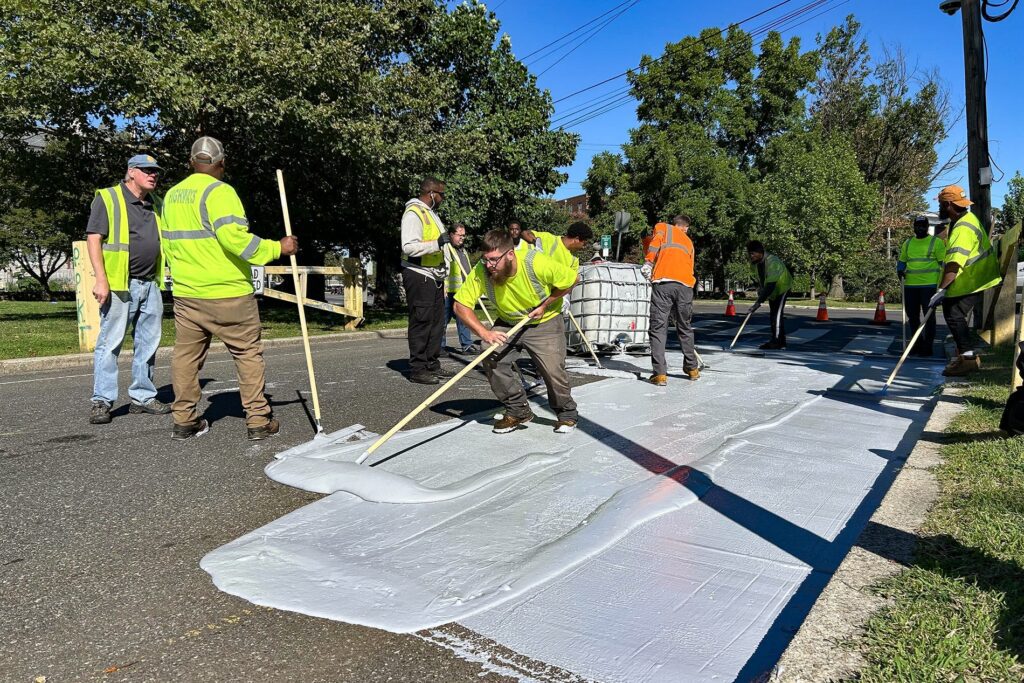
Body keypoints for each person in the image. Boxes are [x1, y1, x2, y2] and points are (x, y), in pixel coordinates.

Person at [161, 136, 298, 441]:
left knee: (186, 357)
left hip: (188, 292)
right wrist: (277, 248)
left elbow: (167, 244)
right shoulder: (220, 192)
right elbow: (235, 240)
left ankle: (184, 419)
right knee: (247, 353)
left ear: (191, 162)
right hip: (228, 291)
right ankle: (258, 420)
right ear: (222, 163)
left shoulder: (171, 195)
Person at [453, 229, 579, 434]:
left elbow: (573, 279)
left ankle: (566, 414)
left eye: (494, 260)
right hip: (508, 322)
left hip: (544, 322)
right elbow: (460, 305)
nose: (489, 265)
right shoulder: (482, 270)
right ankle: (518, 410)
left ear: (510, 254)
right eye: (485, 259)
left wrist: (546, 304)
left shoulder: (535, 262)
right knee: (490, 353)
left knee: (553, 371)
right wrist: (485, 333)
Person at [86, 154, 170, 424]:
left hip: (150, 283)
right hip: (121, 284)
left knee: (148, 343)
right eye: (147, 170)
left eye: (155, 171)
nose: (153, 175)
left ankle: (142, 397)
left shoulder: (157, 203)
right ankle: (102, 401)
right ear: (131, 172)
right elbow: (94, 238)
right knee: (110, 343)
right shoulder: (109, 198)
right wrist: (101, 279)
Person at [929, 185, 1002, 376]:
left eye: (941, 205)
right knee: (952, 311)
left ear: (948, 204)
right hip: (975, 276)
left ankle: (968, 360)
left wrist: (941, 291)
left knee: (953, 313)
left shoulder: (962, 228)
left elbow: (954, 264)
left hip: (974, 278)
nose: (939, 208)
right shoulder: (963, 220)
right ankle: (965, 356)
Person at [401, 177, 451, 385]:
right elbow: (408, 246)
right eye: (441, 194)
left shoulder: (432, 214)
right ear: (431, 193)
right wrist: (436, 244)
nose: (443, 198)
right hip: (419, 274)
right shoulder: (413, 213)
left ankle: (432, 363)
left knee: (437, 323)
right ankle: (418, 368)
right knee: (422, 322)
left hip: (434, 276)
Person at [641, 215, 700, 385]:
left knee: (658, 327)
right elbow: (689, 265)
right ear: (685, 227)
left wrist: (648, 263)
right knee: (684, 327)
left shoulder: (663, 227)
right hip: (685, 286)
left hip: (664, 283)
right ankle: (692, 369)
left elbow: (655, 244)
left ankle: (660, 374)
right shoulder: (688, 242)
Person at [897, 216, 946, 357]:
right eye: (917, 226)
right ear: (914, 227)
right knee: (912, 317)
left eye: (923, 226)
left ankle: (927, 347)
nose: (920, 228)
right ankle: (917, 344)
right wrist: (899, 270)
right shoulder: (908, 243)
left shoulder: (936, 242)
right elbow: (902, 261)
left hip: (929, 285)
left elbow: (944, 264)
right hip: (910, 285)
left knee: (928, 317)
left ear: (927, 227)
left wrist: (943, 285)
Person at [747, 240, 792, 350]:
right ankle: (781, 341)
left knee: (777, 315)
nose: (751, 256)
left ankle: (777, 341)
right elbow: (761, 280)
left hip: (782, 287)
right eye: (749, 253)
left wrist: (758, 303)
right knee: (773, 315)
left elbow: (770, 285)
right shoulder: (755, 264)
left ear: (760, 252)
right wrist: (760, 291)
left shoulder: (773, 262)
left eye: (753, 253)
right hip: (772, 290)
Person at [443, 222, 476, 354]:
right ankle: (439, 347)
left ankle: (467, 345)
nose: (462, 238)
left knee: (463, 319)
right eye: (459, 235)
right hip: (448, 292)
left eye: (464, 235)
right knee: (443, 320)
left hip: (461, 291)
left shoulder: (463, 251)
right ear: (451, 234)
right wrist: (443, 286)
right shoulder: (446, 249)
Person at [520, 222, 594, 273]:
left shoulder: (573, 262)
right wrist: (534, 241)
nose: (583, 247)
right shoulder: (547, 238)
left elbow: (567, 285)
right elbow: (525, 233)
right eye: (584, 244)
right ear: (577, 239)